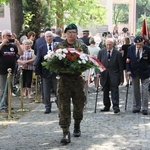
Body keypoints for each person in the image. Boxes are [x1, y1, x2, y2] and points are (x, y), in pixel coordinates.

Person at [55, 23, 87, 144]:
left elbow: (86, 62)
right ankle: (65, 131)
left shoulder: (82, 46)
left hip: (77, 80)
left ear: (76, 34)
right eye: (69, 32)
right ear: (65, 34)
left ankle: (77, 125)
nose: (71, 35)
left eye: (73, 32)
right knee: (63, 106)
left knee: (79, 105)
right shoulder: (59, 46)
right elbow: (55, 62)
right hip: (64, 80)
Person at [97, 38, 124, 113]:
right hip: (104, 74)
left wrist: (122, 79)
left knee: (114, 91)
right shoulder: (101, 52)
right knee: (105, 91)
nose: (108, 46)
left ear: (113, 45)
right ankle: (106, 106)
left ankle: (115, 106)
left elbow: (120, 67)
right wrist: (98, 72)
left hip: (114, 75)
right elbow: (98, 64)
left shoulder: (118, 53)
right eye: (107, 44)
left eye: (110, 45)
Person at [33, 31, 57, 114]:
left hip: (56, 72)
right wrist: (36, 69)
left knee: (57, 89)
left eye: (50, 36)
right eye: (47, 37)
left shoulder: (57, 47)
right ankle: (47, 106)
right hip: (45, 72)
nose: (49, 38)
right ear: (45, 38)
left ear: (53, 37)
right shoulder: (41, 47)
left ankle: (60, 105)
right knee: (46, 91)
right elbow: (38, 59)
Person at [126, 36, 150, 115]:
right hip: (134, 72)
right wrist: (128, 70)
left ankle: (145, 108)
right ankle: (136, 107)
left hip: (145, 72)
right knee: (135, 90)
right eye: (137, 44)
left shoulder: (147, 49)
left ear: (143, 43)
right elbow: (128, 60)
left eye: (140, 44)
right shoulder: (131, 49)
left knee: (145, 90)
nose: (138, 46)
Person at [0, 29, 23, 111]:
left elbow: (20, 53)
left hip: (12, 71)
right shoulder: (1, 45)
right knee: (3, 89)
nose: (10, 37)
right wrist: (2, 44)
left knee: (9, 89)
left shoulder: (13, 46)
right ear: (3, 37)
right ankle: (3, 106)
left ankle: (8, 104)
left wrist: (18, 45)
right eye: (8, 35)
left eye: (11, 35)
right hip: (2, 71)